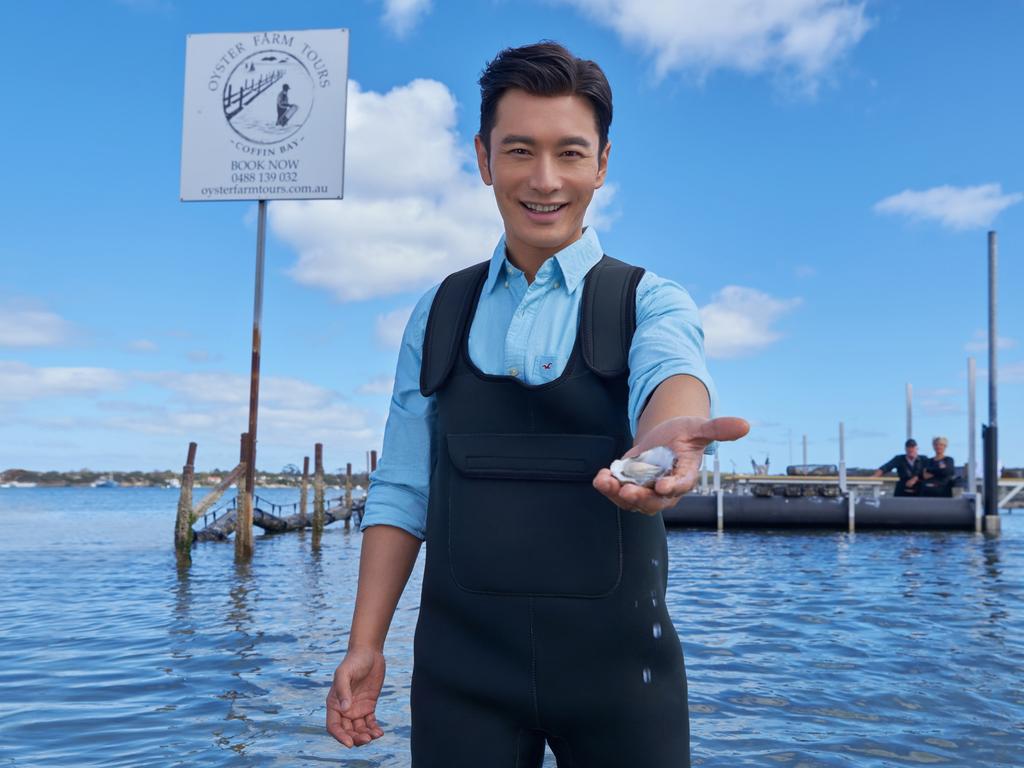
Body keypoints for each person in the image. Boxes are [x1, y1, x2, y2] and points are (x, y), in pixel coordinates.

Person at [325, 42, 749, 767]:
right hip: (461, 680)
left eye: (571, 154)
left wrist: (664, 438)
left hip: (623, 681)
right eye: (519, 151)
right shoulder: (440, 312)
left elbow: (671, 379)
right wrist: (365, 645)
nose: (545, 180)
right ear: (485, 158)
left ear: (603, 164)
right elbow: (400, 490)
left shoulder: (647, 299)